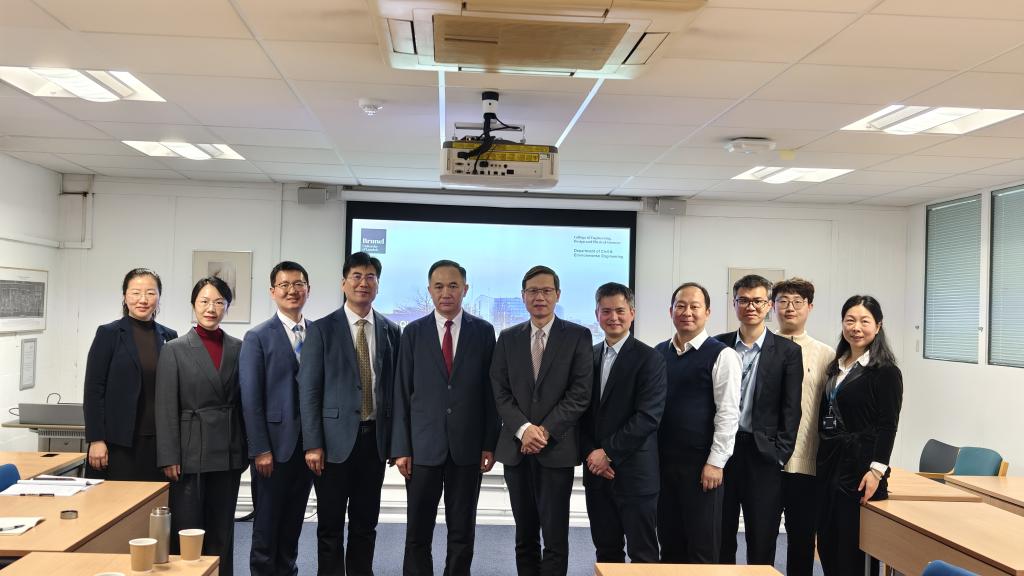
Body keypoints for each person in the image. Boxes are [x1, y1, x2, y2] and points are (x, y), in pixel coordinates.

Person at [392, 259, 499, 576]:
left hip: (467, 448)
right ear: (429, 290)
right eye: (439, 286)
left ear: (465, 289)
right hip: (422, 448)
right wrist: (401, 448)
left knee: (462, 530)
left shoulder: (484, 332)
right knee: (417, 531)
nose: (446, 292)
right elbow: (402, 393)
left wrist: (489, 443)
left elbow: (491, 393)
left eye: (453, 286)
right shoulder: (412, 333)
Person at [299, 252, 401, 576]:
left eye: (370, 277)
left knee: (365, 523)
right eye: (356, 276)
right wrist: (313, 443)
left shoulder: (390, 330)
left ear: (378, 285)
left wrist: (396, 443)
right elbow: (309, 391)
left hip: (374, 442)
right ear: (344, 283)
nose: (363, 283)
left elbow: (395, 391)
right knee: (330, 525)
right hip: (332, 445)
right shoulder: (321, 329)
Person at [491, 265, 592, 576]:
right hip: (516, 450)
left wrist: (543, 432)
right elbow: (499, 391)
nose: (540, 297)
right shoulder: (508, 338)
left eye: (546, 291)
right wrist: (524, 430)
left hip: (556, 450)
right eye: (533, 291)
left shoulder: (577, 336)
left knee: (555, 537)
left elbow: (580, 393)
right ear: (523, 296)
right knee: (525, 536)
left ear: (557, 295)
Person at [156, 276, 246, 576]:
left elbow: (244, 403)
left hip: (228, 451)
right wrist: (169, 456)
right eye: (204, 301)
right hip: (189, 451)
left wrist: (245, 449)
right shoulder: (174, 349)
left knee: (223, 529)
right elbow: (165, 406)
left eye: (219, 302)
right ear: (193, 304)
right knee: (188, 529)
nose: (211, 308)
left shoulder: (238, 347)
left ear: (227, 307)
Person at [715, 274, 802, 566]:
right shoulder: (719, 345)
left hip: (763, 454)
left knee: (762, 537)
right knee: (720, 533)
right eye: (743, 300)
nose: (750, 307)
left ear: (768, 305)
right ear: (734, 304)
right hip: (724, 452)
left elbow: (791, 409)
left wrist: (780, 455)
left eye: (757, 301)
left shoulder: (788, 352)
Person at [816, 295, 902, 576]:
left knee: (852, 551)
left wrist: (877, 471)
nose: (856, 327)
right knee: (827, 543)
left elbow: (888, 425)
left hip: (860, 470)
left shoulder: (885, 371)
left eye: (865, 321)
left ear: (878, 326)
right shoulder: (837, 365)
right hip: (830, 463)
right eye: (850, 320)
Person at [580, 282, 665, 564]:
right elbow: (579, 413)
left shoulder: (650, 358)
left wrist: (607, 453)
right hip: (596, 473)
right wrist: (592, 454)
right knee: (606, 552)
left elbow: (648, 417)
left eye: (620, 310)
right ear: (597, 314)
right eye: (606, 311)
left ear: (632, 313)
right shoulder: (587, 356)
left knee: (643, 555)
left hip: (635, 475)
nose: (613, 317)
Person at [656, 282, 740, 564]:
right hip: (663, 465)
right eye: (680, 306)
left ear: (707, 312)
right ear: (670, 311)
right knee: (670, 545)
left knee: (702, 549)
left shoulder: (723, 355)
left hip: (703, 468)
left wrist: (716, 462)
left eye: (694, 306)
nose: (687, 312)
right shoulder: (659, 353)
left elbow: (728, 414)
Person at [240, 261, 315, 576]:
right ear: (273, 291)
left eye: (298, 284)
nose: (292, 290)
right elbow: (250, 398)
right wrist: (260, 449)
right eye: (284, 285)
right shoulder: (257, 336)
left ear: (308, 289)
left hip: (309, 448)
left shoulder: (318, 333)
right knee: (267, 526)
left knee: (293, 523)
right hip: (272, 449)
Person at [83, 268, 177, 481]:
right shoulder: (109, 334)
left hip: (158, 442)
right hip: (118, 442)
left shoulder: (169, 336)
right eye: (136, 293)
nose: (143, 299)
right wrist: (96, 439)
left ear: (159, 297)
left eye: (150, 293)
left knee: (157, 500)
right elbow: (93, 390)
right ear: (125, 296)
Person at [772, 278, 835, 576]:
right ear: (772, 307)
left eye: (798, 302)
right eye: (783, 301)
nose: (790, 308)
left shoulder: (826, 355)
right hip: (768, 461)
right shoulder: (762, 348)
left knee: (802, 540)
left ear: (810, 307)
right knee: (763, 537)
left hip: (808, 461)